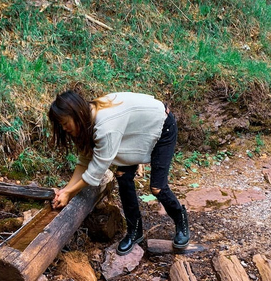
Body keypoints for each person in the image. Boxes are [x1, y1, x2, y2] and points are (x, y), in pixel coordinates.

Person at [48, 90, 189, 255]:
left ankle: (182, 222)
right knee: (123, 176)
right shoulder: (87, 119)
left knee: (157, 188)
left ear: (76, 113)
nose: (64, 129)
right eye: (61, 125)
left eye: (65, 123)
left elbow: (97, 169)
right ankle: (135, 231)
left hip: (161, 124)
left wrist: (70, 192)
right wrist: (66, 190)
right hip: (134, 130)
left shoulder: (104, 125)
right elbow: (84, 161)